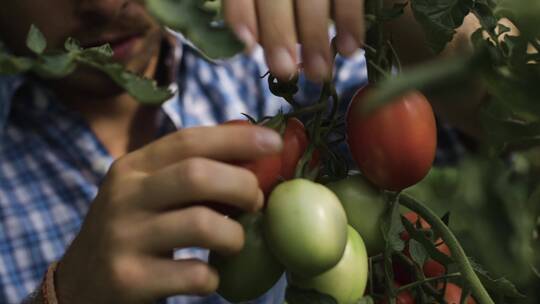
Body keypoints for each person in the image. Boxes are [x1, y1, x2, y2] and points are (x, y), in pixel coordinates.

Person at [0, 1, 482, 303]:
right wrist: (61, 298)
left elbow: (504, 118)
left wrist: (405, 10)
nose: (104, 5)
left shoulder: (277, 58)